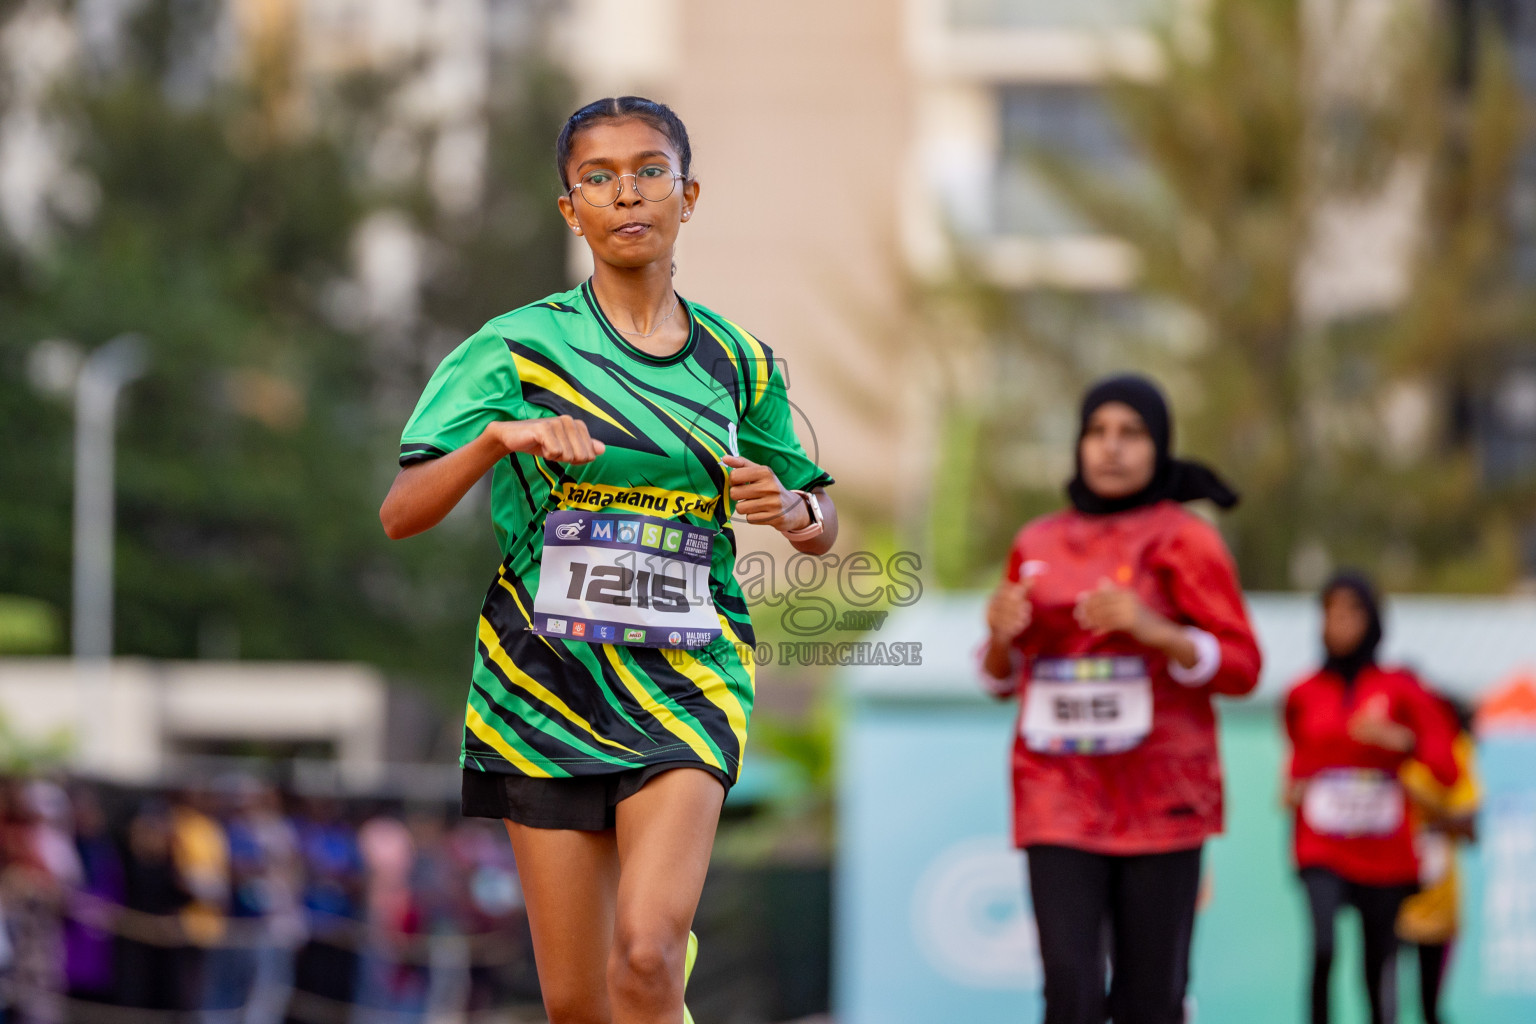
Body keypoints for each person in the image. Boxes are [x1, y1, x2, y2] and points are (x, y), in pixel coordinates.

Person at [379, 95, 836, 1024]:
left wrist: (790, 510)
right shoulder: (514, 346)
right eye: (598, 177)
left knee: (647, 952)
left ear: (687, 194)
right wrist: (498, 439)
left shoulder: (739, 361)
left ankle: (660, 971)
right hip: (541, 681)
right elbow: (401, 513)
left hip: (687, 673)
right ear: (569, 208)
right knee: (581, 1007)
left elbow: (819, 517)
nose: (626, 193)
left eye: (649, 171)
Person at [979, 374, 1261, 1024]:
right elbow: (999, 676)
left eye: (1130, 433)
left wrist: (1153, 629)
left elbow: (1244, 666)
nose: (1111, 448)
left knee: (1150, 1000)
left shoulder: (1187, 540)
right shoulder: (1037, 542)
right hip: (1058, 792)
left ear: (1159, 446)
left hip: (1161, 796)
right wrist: (999, 637)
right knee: (1069, 991)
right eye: (1097, 432)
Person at [1283, 572, 1459, 1024]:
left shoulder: (1401, 688)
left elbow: (1446, 765)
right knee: (1323, 946)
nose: (1339, 623)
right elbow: (1299, 756)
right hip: (1321, 843)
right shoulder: (1302, 693)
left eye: (1351, 612)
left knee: (1376, 963)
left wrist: (1401, 740)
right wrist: (1294, 783)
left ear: (1373, 620)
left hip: (1383, 850)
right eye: (1330, 613)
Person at [1395, 695, 1479, 1024]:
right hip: (1390, 896)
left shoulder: (1455, 754)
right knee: (1384, 1001)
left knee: (1431, 1006)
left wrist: (1425, 808)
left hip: (1440, 901)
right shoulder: (1387, 754)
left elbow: (1470, 825)